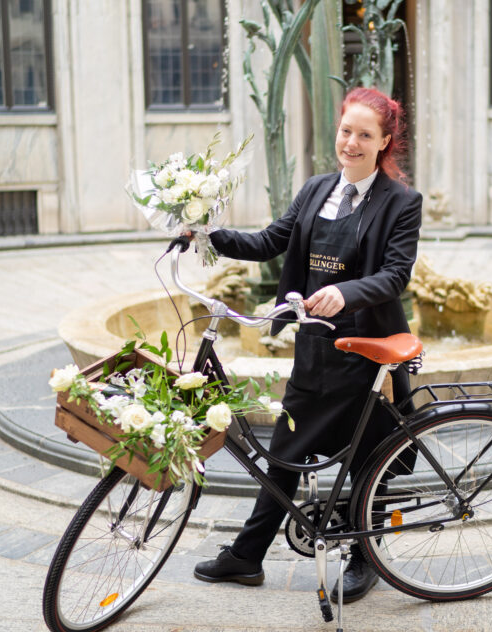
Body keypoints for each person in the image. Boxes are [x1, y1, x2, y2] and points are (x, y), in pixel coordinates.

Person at [192, 87, 422, 604]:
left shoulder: (402, 202)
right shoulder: (318, 188)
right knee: (286, 452)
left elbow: (395, 274)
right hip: (316, 347)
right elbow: (271, 241)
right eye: (346, 131)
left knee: (370, 457)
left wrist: (345, 291)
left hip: (367, 350)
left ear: (384, 141)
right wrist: (207, 233)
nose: (352, 142)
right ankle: (247, 557)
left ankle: (367, 558)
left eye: (365, 134)